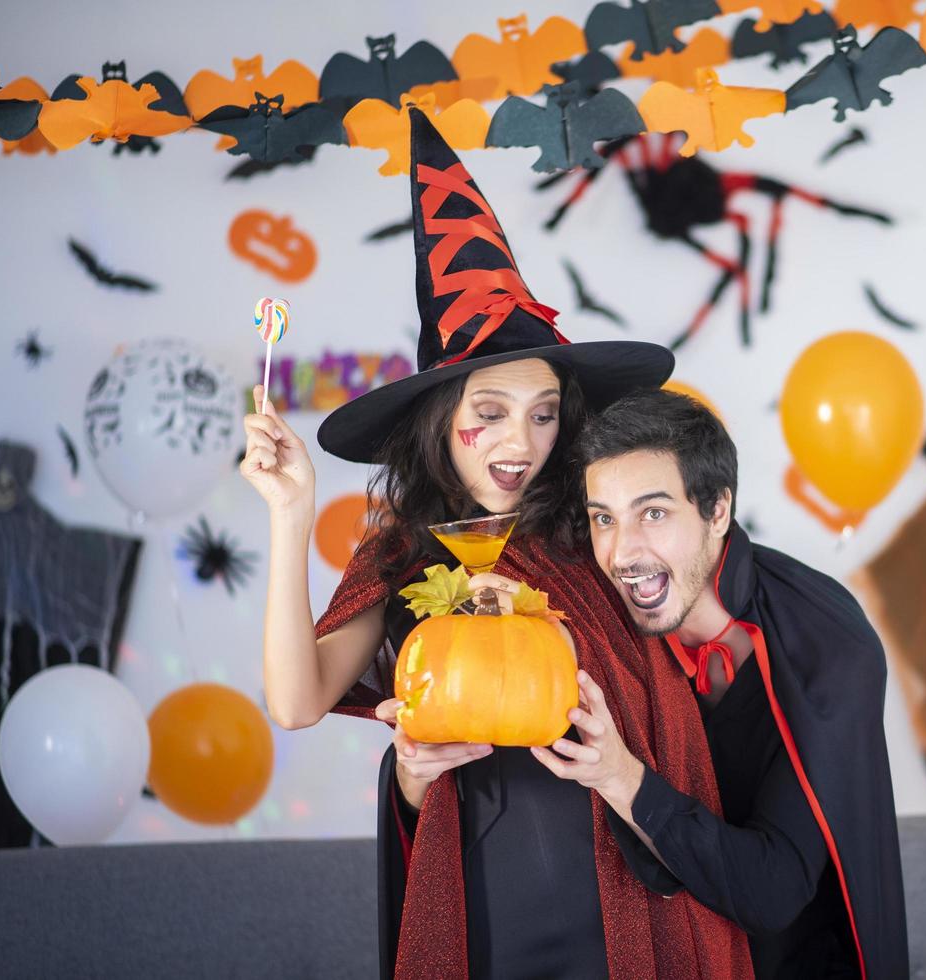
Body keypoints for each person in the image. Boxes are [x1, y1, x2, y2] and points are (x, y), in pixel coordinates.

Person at [240, 109, 751, 980]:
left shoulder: (598, 533)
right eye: (491, 414)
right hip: (487, 890)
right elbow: (295, 701)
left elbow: (704, 662)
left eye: (545, 413)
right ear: (442, 424)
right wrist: (292, 514)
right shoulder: (405, 555)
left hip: (628, 892)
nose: (523, 441)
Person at [529, 388, 908, 978]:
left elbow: (773, 891)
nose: (624, 551)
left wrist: (620, 776)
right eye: (604, 517)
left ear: (718, 511)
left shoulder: (828, 643)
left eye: (653, 513)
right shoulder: (601, 625)